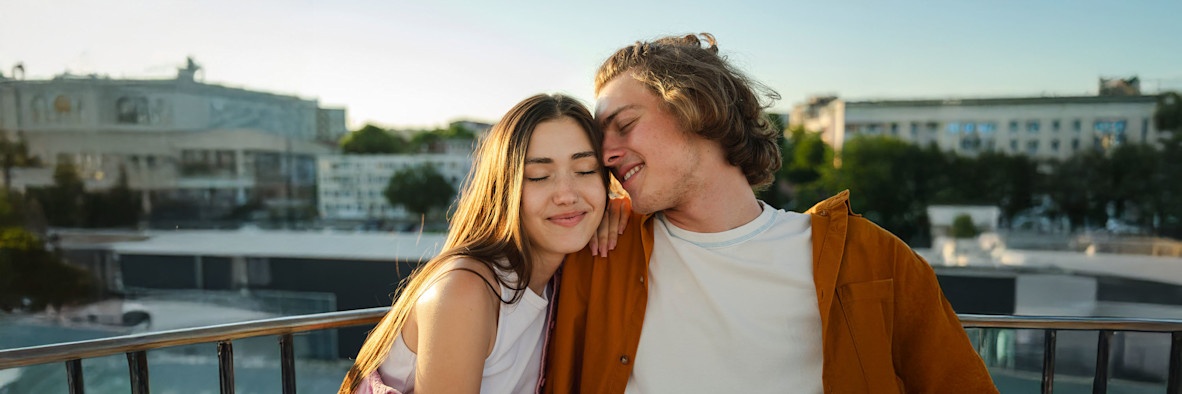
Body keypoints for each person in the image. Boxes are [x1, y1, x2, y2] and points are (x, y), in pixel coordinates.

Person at [543, 34, 999, 393]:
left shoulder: (874, 260)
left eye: (624, 125)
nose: (606, 154)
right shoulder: (597, 249)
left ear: (696, 107)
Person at [339, 94, 611, 394]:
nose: (567, 194)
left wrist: (616, 210)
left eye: (586, 170)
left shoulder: (562, 278)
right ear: (503, 188)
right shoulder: (465, 290)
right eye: (539, 176)